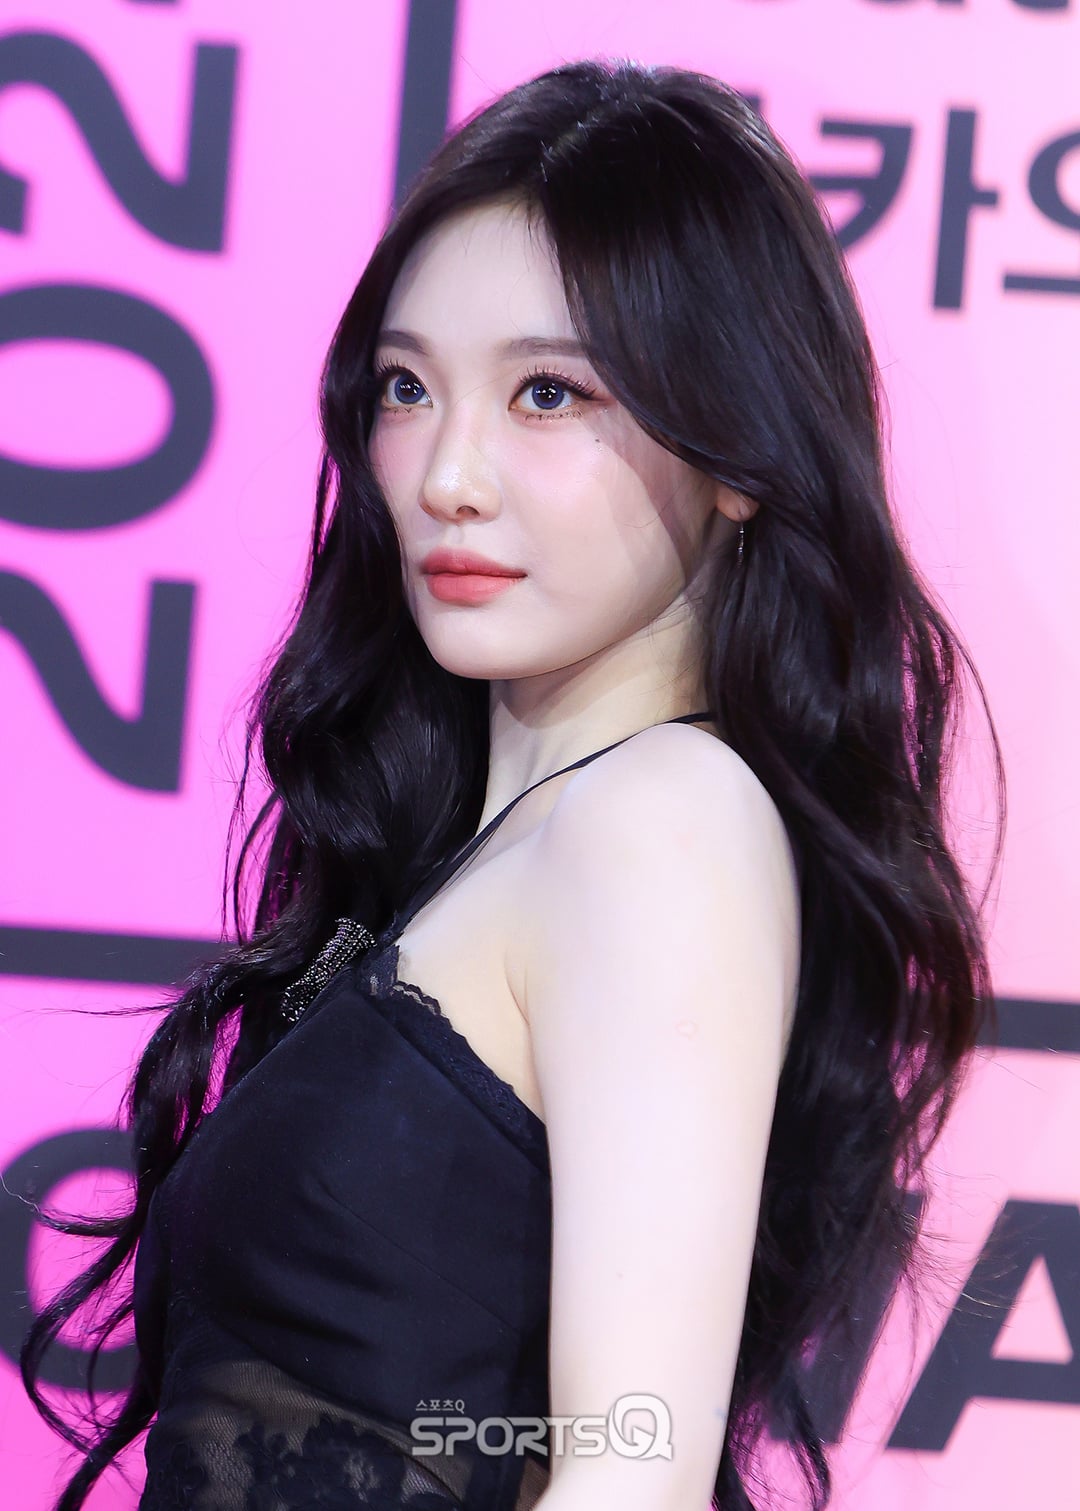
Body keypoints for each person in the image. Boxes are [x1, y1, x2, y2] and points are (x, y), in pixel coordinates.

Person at [22, 57, 1005, 1511]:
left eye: (549, 393)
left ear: (737, 454)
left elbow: (629, 1475)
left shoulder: (661, 823)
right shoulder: (504, 846)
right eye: (408, 388)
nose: (447, 476)